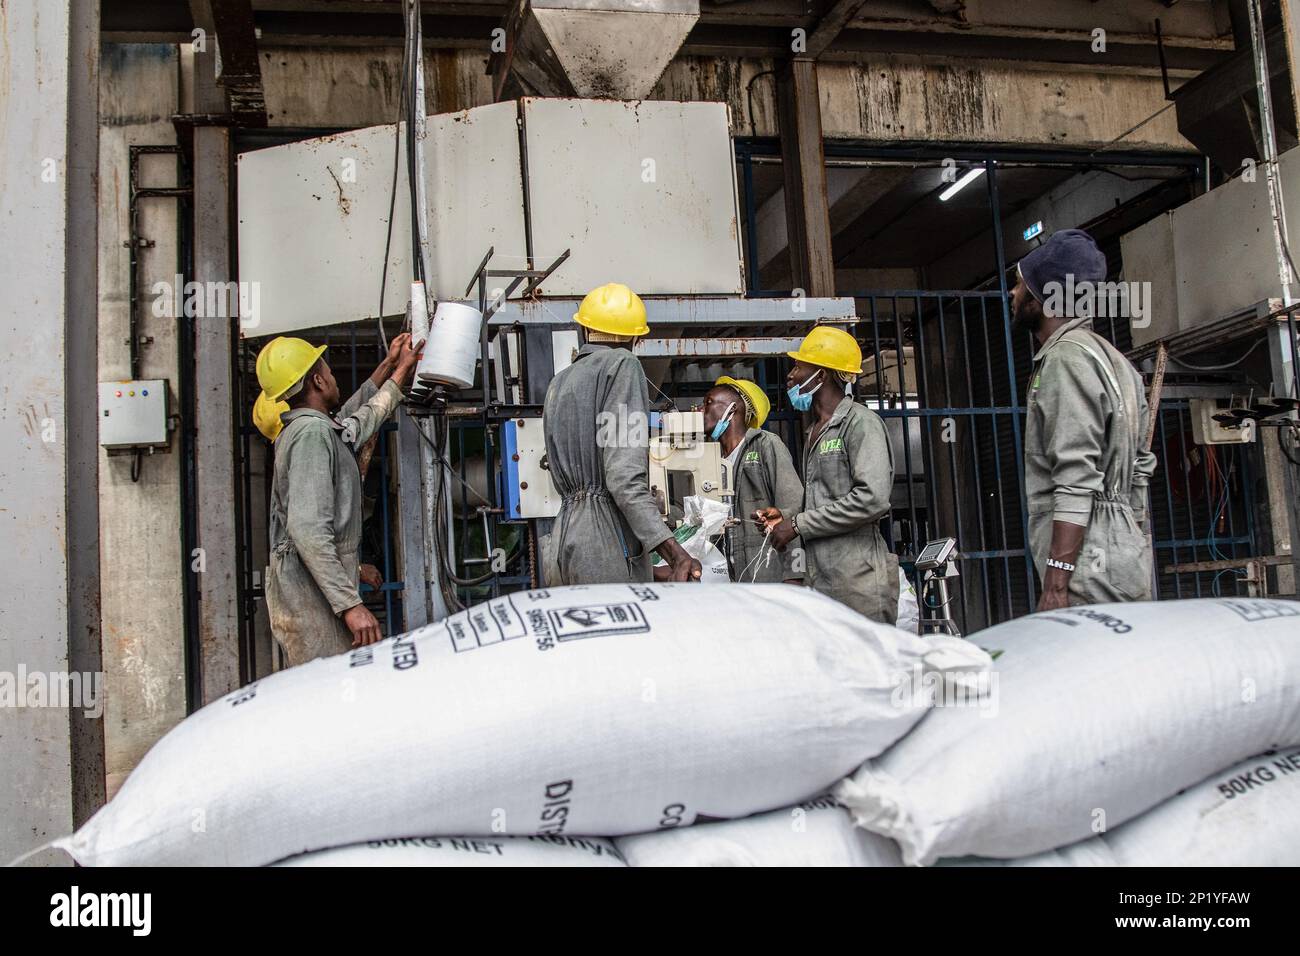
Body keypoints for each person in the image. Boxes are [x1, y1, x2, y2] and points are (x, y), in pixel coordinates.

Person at [1012, 228, 1156, 609]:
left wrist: (1057, 581)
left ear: (1043, 297)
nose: (1012, 294)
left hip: (1086, 565)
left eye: (1020, 285)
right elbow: (1141, 468)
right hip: (1121, 554)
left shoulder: (1065, 360)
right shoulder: (1117, 361)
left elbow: (1076, 478)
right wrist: (1127, 537)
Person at [259, 332, 420, 666]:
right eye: (329, 372)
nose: (334, 377)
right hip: (313, 601)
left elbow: (355, 422)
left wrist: (391, 367)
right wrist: (350, 605)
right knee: (327, 696)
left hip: (313, 595)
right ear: (318, 380)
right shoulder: (310, 436)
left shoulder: (316, 429)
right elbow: (308, 531)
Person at [542, 283, 701, 584]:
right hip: (604, 536)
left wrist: (648, 570)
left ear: (585, 328)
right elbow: (624, 479)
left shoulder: (558, 382)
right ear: (635, 337)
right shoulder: (622, 365)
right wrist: (675, 554)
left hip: (564, 539)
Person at [757, 326, 897, 623]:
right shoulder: (814, 431)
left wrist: (797, 524)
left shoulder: (860, 423)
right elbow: (823, 500)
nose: (791, 375)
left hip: (858, 583)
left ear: (820, 376)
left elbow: (871, 500)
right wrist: (785, 516)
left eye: (798, 366)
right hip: (821, 580)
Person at [702, 376, 803, 584]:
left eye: (708, 403)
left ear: (733, 409)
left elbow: (793, 509)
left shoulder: (766, 445)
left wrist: (795, 577)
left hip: (768, 576)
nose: (700, 410)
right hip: (729, 577)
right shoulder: (708, 457)